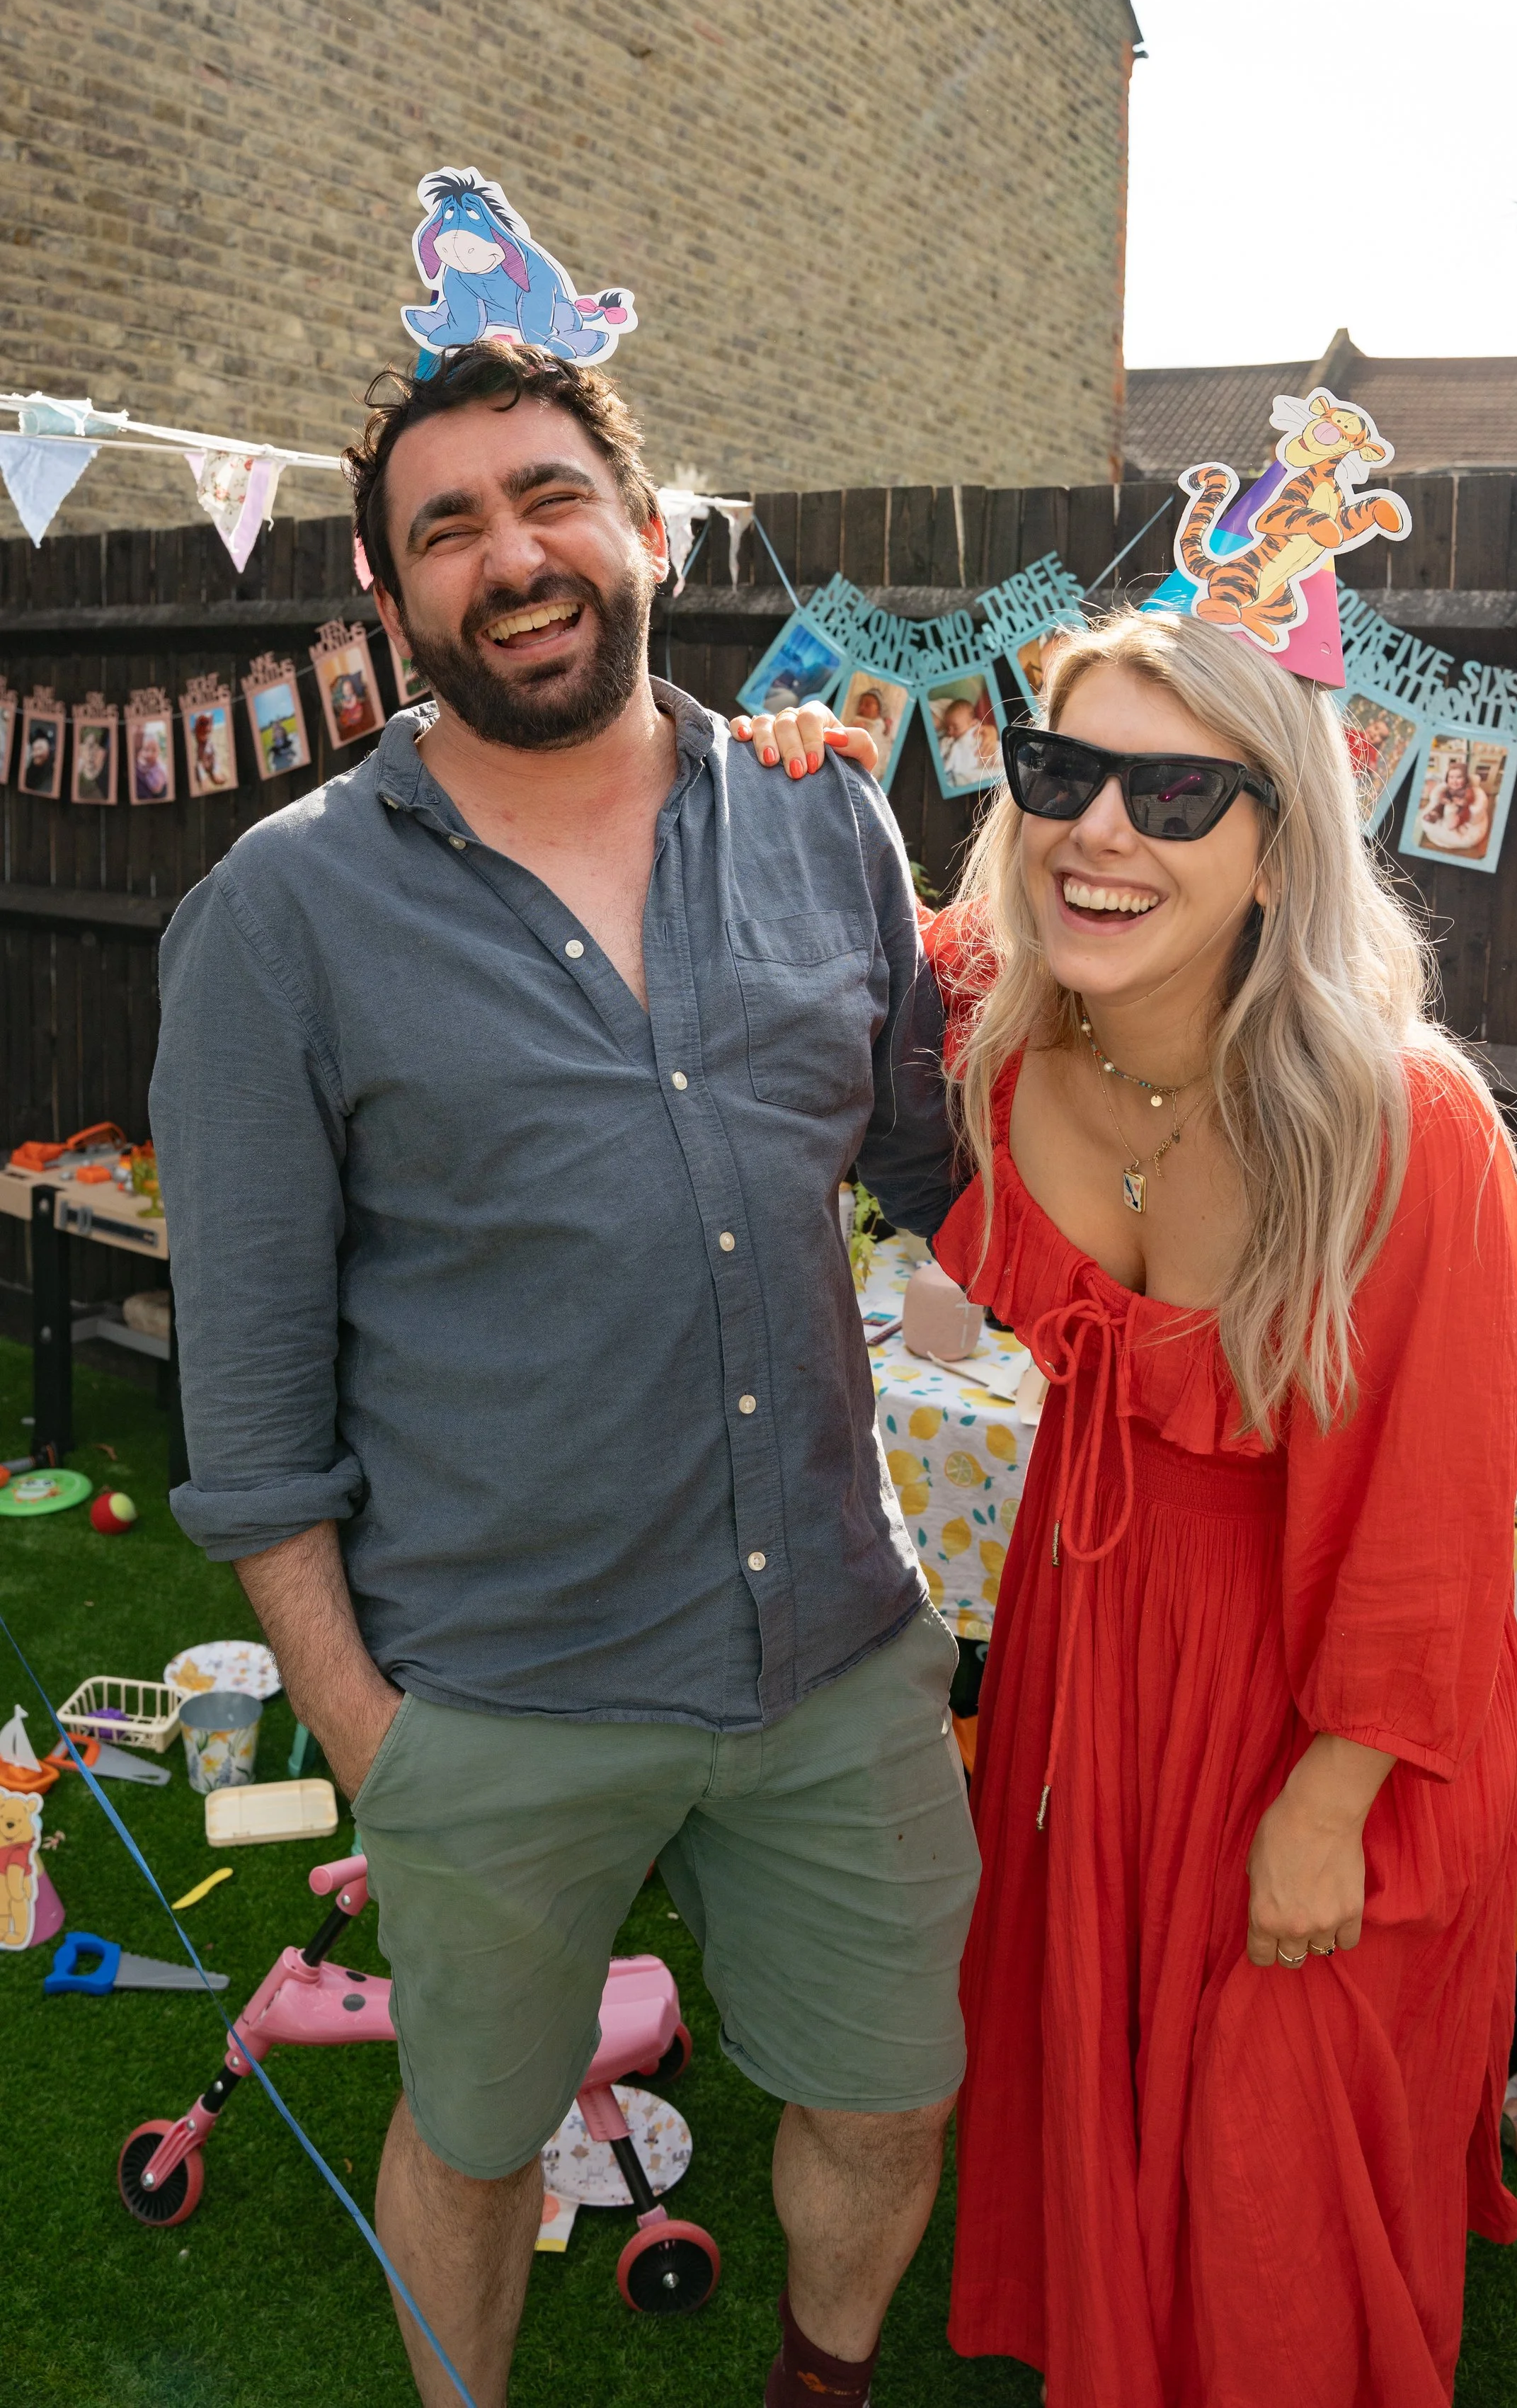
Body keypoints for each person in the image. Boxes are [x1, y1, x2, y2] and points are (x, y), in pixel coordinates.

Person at [151, 337, 977, 2408]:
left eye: (546, 498)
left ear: (646, 527)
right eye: (447, 529)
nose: (508, 557)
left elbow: (937, 1169)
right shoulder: (284, 910)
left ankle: (820, 2381)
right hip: (492, 1691)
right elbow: (245, 1411)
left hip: (835, 1647)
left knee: (886, 2099)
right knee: (474, 2128)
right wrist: (366, 1728)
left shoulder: (827, 820)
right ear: (385, 593)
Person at [757, 609, 1517, 2406]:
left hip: (1322, 1685)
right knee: (1118, 2057)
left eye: (1178, 790)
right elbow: (860, 922)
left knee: (1272, 2130)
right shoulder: (1006, 1052)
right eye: (1061, 772)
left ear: (1280, 840)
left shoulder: (1407, 1124)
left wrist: (1330, 1799)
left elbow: (1432, 1522)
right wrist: (801, 766)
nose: (1103, 829)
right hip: (1092, 1649)